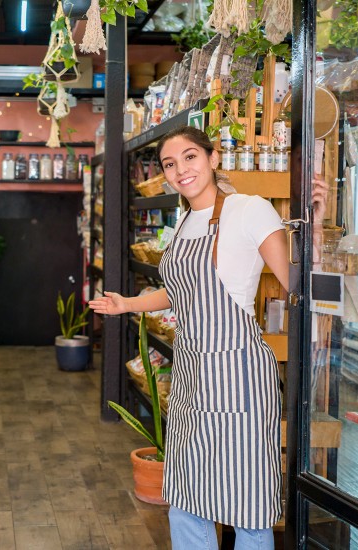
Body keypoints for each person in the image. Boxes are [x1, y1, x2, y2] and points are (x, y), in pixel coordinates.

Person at [89, 126, 290, 550]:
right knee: (185, 495)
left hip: (239, 377)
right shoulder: (183, 222)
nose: (180, 170)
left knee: (247, 503)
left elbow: (295, 283)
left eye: (190, 157)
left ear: (213, 158)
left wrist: (316, 215)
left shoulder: (249, 209)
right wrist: (127, 304)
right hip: (191, 376)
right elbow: (181, 290)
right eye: (169, 164)